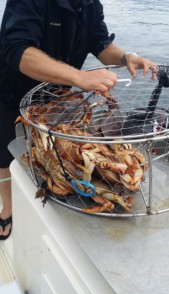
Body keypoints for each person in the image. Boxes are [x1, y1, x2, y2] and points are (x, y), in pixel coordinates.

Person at [0, 0, 157, 240]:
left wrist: (126, 58)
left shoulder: (90, 5)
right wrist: (80, 78)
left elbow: (101, 45)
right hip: (11, 96)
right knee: (4, 157)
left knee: (57, 153)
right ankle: (8, 208)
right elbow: (16, 50)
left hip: (58, 100)